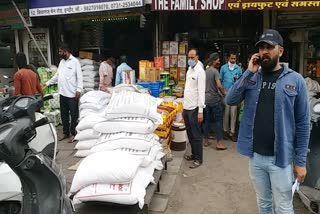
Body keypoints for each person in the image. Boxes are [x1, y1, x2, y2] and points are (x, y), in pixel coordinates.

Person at [225, 29, 310, 213]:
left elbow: (303, 124)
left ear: (280, 51)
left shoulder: (296, 80)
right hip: (255, 157)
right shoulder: (252, 77)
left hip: (281, 159)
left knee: (284, 207)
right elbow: (230, 100)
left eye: (269, 47)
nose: (264, 51)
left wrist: (301, 162)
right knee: (263, 203)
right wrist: (248, 72)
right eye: (262, 47)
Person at [44, 44, 83, 142]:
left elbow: (80, 77)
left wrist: (79, 89)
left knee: (74, 115)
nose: (59, 54)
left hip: (72, 94)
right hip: (62, 93)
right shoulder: (61, 62)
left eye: (60, 52)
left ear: (66, 51)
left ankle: (73, 134)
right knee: (64, 114)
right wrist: (47, 83)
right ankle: (66, 133)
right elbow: (57, 75)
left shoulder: (75, 62)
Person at [183, 48, 206, 169]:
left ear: (197, 57)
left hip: (194, 109)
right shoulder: (189, 70)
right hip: (186, 107)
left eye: (192, 57)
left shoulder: (200, 72)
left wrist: (200, 111)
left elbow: (201, 92)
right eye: (189, 57)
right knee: (189, 133)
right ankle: (193, 154)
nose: (190, 60)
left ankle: (198, 159)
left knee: (196, 135)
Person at [203, 52, 227, 150]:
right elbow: (219, 85)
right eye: (218, 60)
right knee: (218, 121)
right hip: (214, 99)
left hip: (205, 99)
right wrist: (224, 93)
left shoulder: (205, 71)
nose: (219, 62)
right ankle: (219, 142)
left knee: (207, 120)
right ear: (214, 60)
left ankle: (206, 140)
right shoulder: (215, 71)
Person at [220, 52, 242, 142]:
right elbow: (220, 80)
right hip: (225, 94)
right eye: (232, 58)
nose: (233, 60)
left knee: (233, 113)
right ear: (228, 58)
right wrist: (222, 91)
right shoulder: (223, 68)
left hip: (235, 94)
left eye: (234, 59)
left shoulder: (238, 69)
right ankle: (225, 131)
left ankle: (232, 132)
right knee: (226, 113)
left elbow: (241, 82)